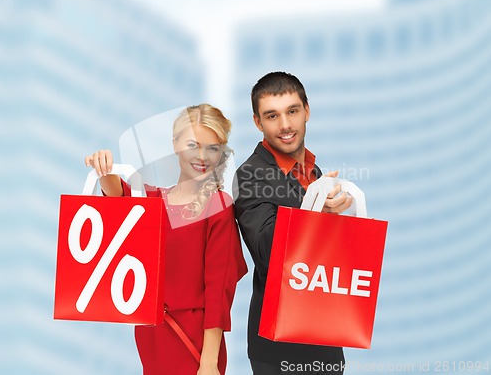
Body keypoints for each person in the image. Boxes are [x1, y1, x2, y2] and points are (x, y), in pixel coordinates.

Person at [86, 104, 248, 375]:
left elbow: (219, 292)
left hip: (194, 342)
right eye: (193, 145)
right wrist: (105, 169)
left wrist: (209, 364)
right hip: (152, 336)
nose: (202, 156)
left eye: (213, 148)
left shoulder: (218, 205)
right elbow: (119, 200)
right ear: (174, 144)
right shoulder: (153, 201)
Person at [233, 72, 353, 374]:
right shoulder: (250, 175)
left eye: (292, 111)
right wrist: (312, 210)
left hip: (325, 335)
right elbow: (266, 251)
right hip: (279, 347)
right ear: (258, 123)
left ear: (307, 111)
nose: (285, 125)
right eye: (272, 116)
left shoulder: (313, 171)